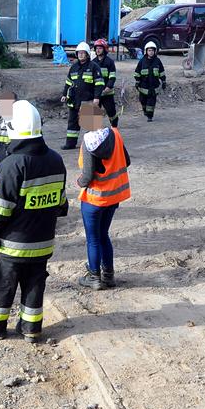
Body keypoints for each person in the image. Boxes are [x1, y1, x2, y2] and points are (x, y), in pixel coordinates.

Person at [0, 100, 68, 343]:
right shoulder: (56, 160)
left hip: (11, 245)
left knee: (0, 284)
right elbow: (61, 204)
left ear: (13, 129)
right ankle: (31, 328)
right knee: (34, 285)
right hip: (43, 242)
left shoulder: (12, 165)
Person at [76, 102, 130, 289]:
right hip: (113, 197)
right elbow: (126, 161)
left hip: (94, 199)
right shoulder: (115, 134)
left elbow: (87, 176)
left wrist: (79, 182)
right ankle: (108, 275)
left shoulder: (88, 142)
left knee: (93, 239)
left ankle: (94, 277)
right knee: (103, 235)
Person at [60, 41, 104, 150]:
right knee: (72, 123)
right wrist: (64, 94)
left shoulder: (94, 67)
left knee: (90, 124)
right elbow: (68, 82)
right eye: (79, 53)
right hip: (74, 100)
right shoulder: (73, 67)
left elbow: (99, 84)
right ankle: (70, 143)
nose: (80, 55)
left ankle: (93, 145)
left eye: (83, 53)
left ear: (87, 54)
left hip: (88, 100)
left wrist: (97, 98)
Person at [134, 41, 166, 122]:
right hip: (143, 86)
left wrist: (163, 81)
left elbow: (161, 72)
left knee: (151, 102)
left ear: (155, 51)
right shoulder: (142, 61)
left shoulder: (158, 61)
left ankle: (150, 116)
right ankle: (145, 110)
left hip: (154, 86)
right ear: (146, 51)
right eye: (149, 50)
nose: (151, 52)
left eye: (152, 50)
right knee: (143, 100)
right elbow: (137, 72)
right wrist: (137, 81)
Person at [91, 39, 119, 128]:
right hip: (96, 94)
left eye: (100, 48)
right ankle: (94, 130)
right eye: (96, 48)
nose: (98, 50)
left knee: (111, 112)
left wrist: (108, 87)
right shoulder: (93, 62)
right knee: (94, 113)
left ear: (105, 49)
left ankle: (114, 127)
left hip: (107, 93)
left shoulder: (110, 62)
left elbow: (112, 76)